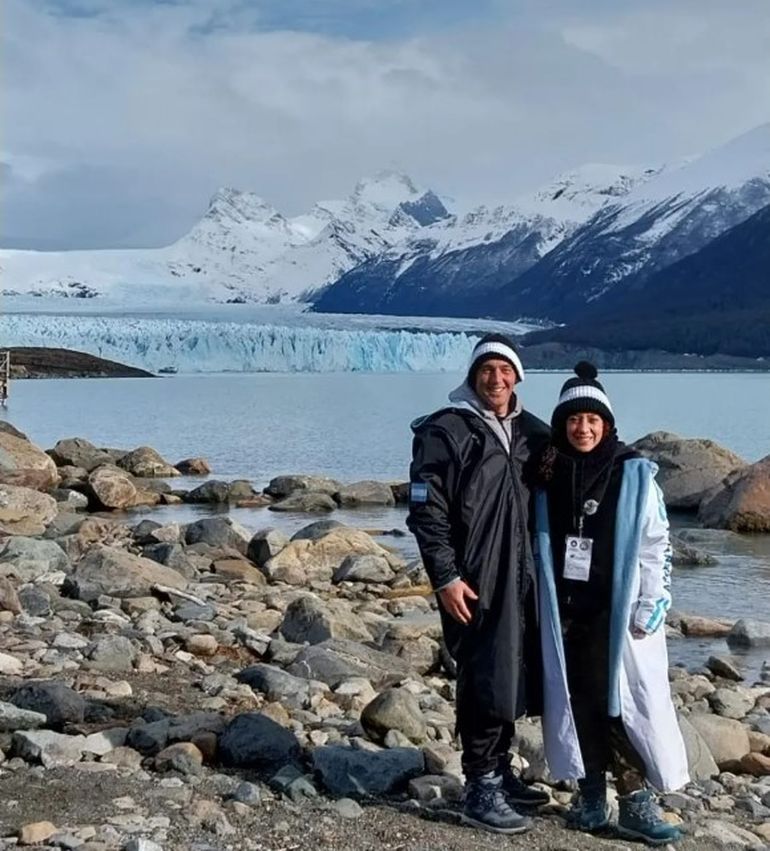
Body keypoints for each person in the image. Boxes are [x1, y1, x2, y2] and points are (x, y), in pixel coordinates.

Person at [534, 362, 689, 846]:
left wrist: (654, 602)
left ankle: (636, 801)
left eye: (592, 420)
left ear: (606, 424)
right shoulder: (548, 473)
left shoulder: (633, 475)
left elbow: (656, 544)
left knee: (619, 706)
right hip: (566, 611)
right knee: (577, 704)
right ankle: (591, 797)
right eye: (574, 420)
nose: (583, 429)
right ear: (562, 424)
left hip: (615, 615)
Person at [407, 333, 550, 834]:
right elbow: (427, 510)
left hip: (524, 571)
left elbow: (578, 471)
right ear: (473, 375)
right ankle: (481, 784)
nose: (496, 378)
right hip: (474, 575)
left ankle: (501, 770)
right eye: (487, 369)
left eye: (505, 369)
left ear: (518, 376)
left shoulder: (534, 434)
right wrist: (445, 575)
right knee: (484, 670)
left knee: (514, 666)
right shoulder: (446, 431)